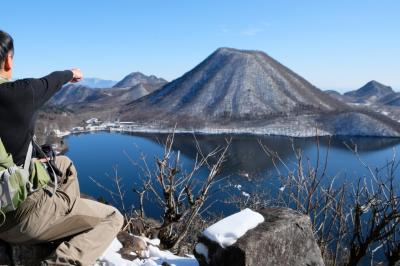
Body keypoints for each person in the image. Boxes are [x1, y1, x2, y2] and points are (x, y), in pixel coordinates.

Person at [0, 30, 123, 265]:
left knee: (64, 164)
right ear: (8, 60)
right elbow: (51, 81)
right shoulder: (18, 94)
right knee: (113, 217)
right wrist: (71, 73)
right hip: (20, 218)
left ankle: (62, 225)